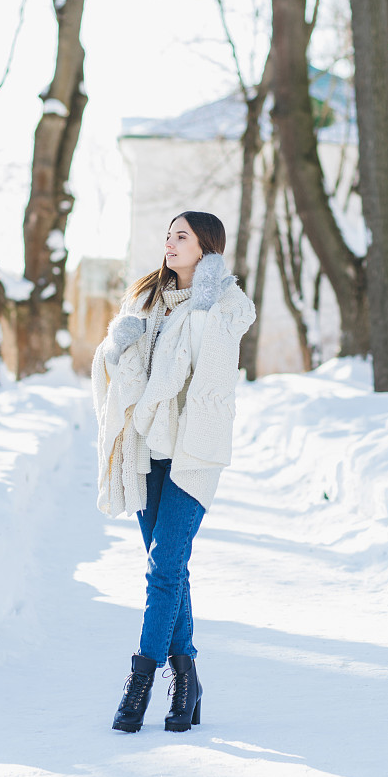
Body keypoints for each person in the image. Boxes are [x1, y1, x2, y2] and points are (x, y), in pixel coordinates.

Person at [91, 210, 256, 733]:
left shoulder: (227, 304)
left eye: (180, 235)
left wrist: (204, 302)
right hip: (146, 446)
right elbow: (117, 366)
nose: (169, 242)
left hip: (193, 453)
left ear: (206, 246)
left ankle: (138, 682)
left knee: (163, 567)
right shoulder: (145, 300)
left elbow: (212, 366)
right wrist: (119, 346)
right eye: (167, 234)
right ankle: (187, 680)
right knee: (169, 568)